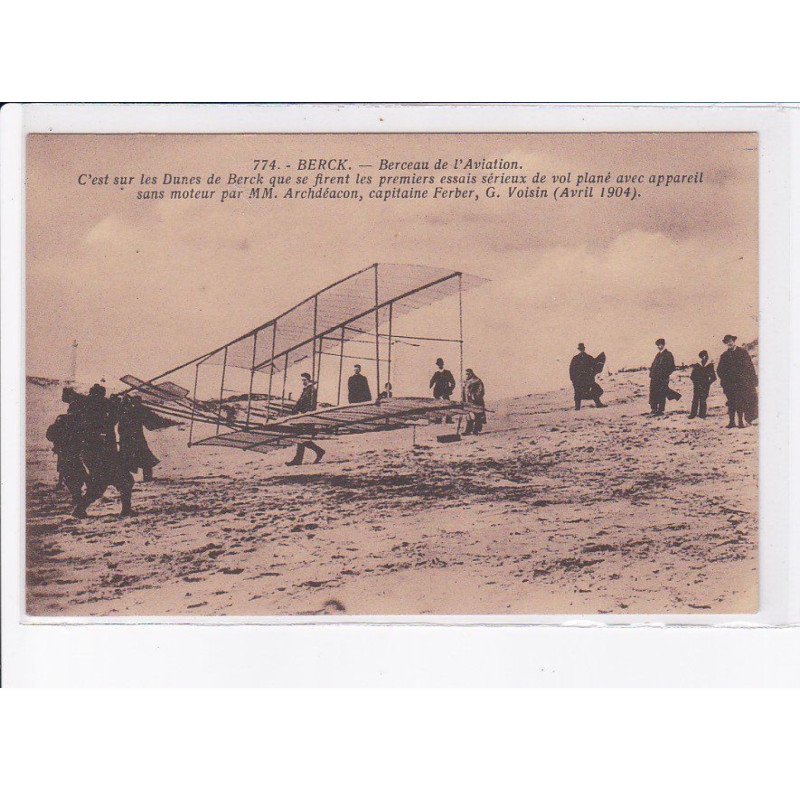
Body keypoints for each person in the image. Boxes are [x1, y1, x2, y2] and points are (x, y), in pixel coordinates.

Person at [72, 384, 136, 518]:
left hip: (90, 453)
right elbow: (111, 420)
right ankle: (126, 510)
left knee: (98, 485)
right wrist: (118, 403)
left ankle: (79, 509)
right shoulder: (97, 410)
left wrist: (114, 403)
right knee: (125, 480)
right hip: (103, 454)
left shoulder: (85, 407)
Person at [46, 408, 88, 505]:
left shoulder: (61, 420)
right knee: (77, 476)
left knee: (70, 475)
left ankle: (76, 496)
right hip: (72, 454)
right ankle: (77, 498)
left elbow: (49, 436)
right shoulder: (76, 421)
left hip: (64, 454)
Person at [717, 334, 758, 428]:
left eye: (730, 341)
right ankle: (731, 422)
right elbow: (720, 370)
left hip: (741, 383)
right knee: (731, 402)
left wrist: (750, 379)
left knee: (740, 401)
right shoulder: (724, 355)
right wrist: (725, 379)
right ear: (725, 343)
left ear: (734, 341)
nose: (729, 343)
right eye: (727, 342)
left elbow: (749, 367)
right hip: (729, 384)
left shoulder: (742, 353)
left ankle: (740, 422)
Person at [285, 372, 326, 465]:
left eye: (304, 380)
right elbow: (300, 402)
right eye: (302, 380)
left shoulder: (312, 390)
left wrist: (306, 414)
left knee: (302, 438)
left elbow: (312, 405)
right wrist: (294, 410)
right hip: (303, 417)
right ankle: (317, 452)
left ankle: (300, 459)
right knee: (302, 438)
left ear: (308, 380)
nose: (303, 382)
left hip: (308, 418)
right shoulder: (306, 390)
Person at [118, 395, 160, 481]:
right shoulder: (136, 410)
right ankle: (147, 477)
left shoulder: (123, 411)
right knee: (144, 457)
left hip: (127, 438)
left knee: (127, 458)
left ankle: (125, 478)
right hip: (136, 438)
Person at [569, 343, 607, 410]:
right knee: (578, 393)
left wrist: (601, 360)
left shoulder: (588, 357)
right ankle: (577, 407)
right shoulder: (576, 358)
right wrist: (573, 379)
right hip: (579, 380)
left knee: (598, 390)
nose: (582, 350)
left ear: (584, 349)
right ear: (579, 349)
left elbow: (595, 364)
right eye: (581, 349)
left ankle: (597, 403)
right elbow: (571, 369)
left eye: (582, 349)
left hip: (587, 379)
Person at [649, 338, 680, 416]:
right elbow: (653, 365)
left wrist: (665, 374)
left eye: (660, 345)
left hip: (663, 378)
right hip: (654, 378)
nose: (659, 346)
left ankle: (660, 410)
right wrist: (651, 374)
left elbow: (672, 367)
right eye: (658, 345)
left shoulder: (668, 354)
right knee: (653, 393)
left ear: (663, 344)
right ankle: (654, 408)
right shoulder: (658, 355)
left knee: (662, 393)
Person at [688, 350, 717, 419]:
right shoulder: (697, 365)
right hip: (697, 385)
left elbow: (714, 377)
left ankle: (702, 414)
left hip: (705, 386)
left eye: (706, 356)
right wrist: (696, 383)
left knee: (703, 400)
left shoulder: (710, 365)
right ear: (701, 357)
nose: (705, 357)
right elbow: (692, 376)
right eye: (703, 356)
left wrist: (708, 383)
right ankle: (693, 414)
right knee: (695, 399)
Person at [462, 369, 486, 435]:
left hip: (476, 401)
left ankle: (476, 430)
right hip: (468, 401)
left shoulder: (477, 381)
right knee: (469, 415)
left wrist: (474, 396)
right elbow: (464, 392)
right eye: (466, 374)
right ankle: (468, 431)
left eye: (467, 374)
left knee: (477, 415)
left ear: (471, 374)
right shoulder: (466, 382)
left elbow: (481, 391)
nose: (466, 375)